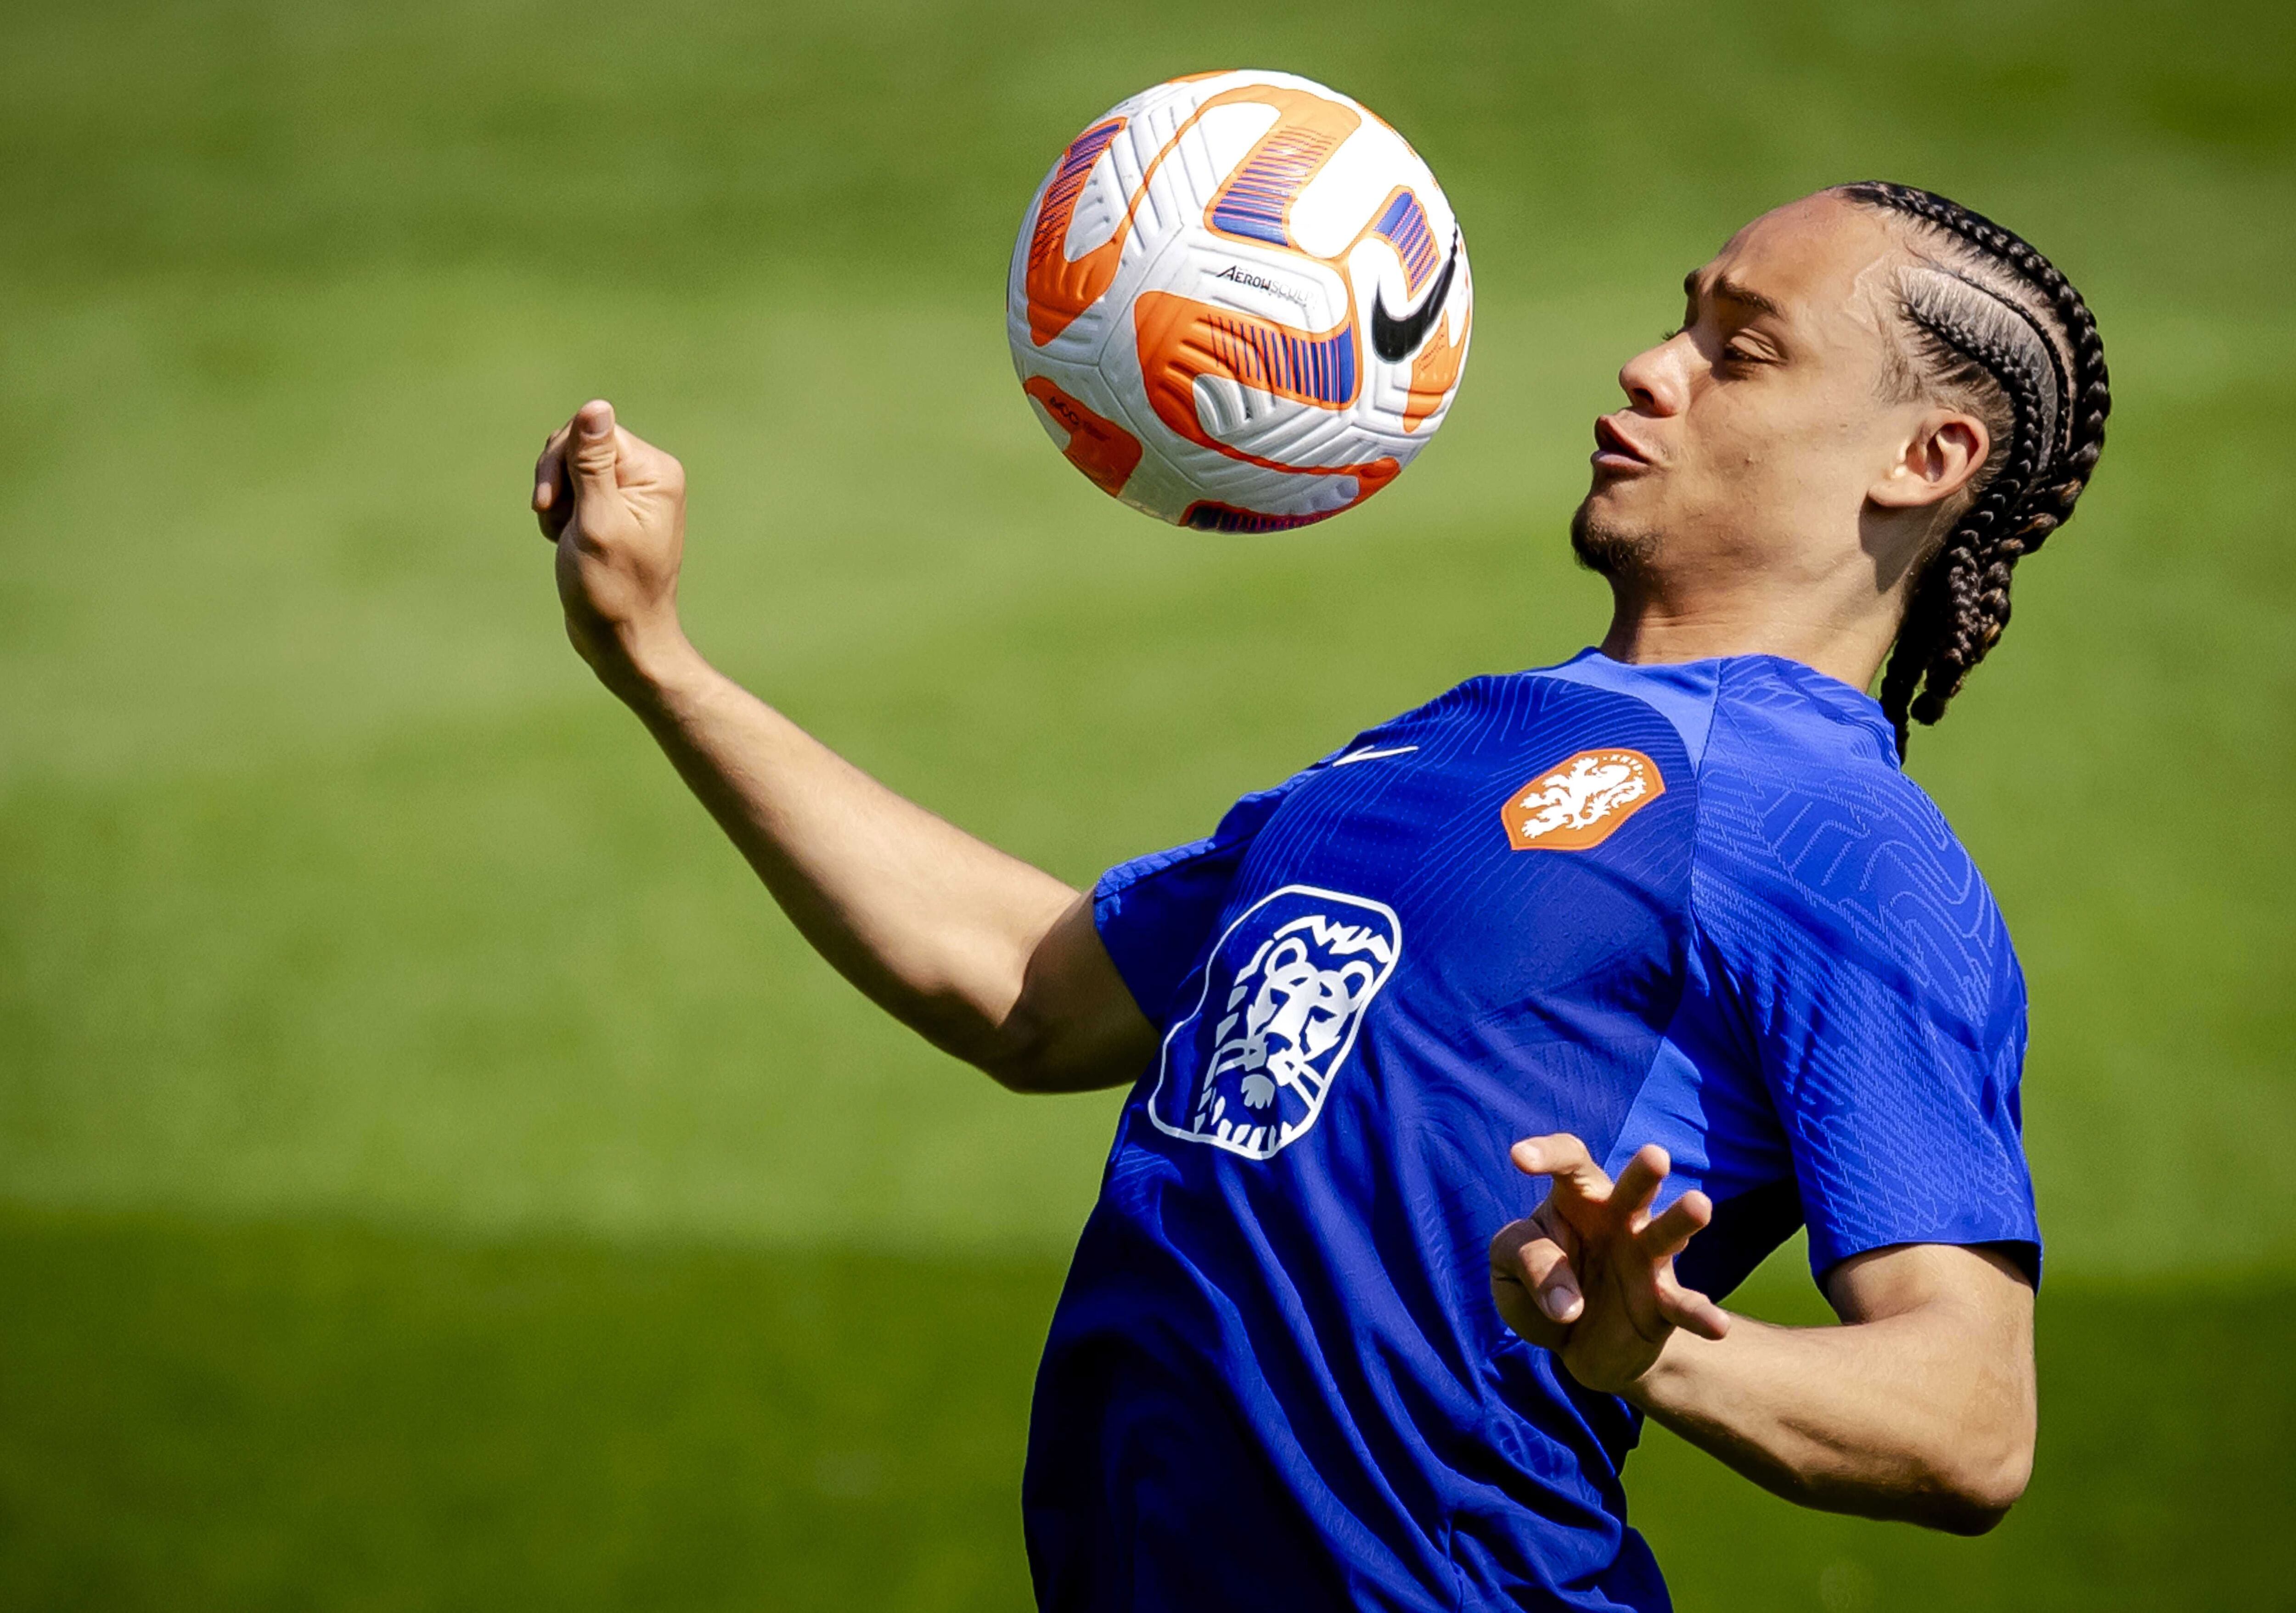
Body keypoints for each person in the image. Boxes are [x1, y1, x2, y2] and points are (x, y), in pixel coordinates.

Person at [527, 180, 2110, 1612]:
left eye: (1739, 350)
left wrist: (1665, 1355)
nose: (1648, 367)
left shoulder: (1839, 838)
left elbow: (1971, 1420)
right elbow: (1031, 988)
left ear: (1927, 459)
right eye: (1677, 317)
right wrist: (656, 657)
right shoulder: (1431, 747)